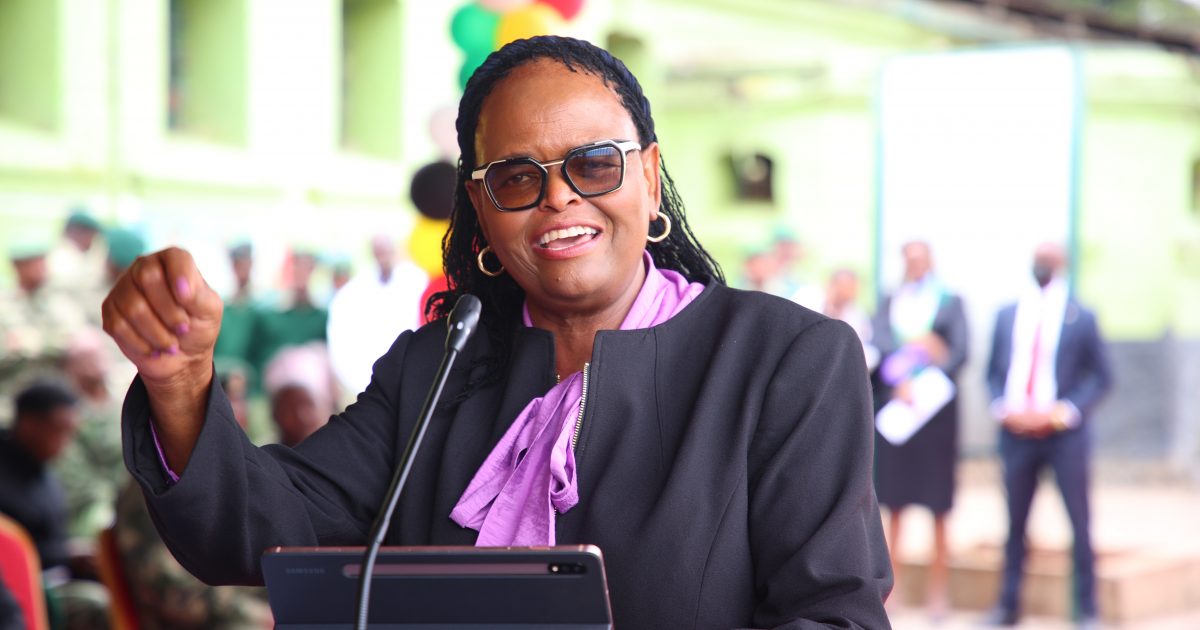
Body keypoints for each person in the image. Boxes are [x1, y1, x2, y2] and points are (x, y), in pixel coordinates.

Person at [101, 36, 891, 629]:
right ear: (481, 212)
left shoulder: (786, 362)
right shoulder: (435, 369)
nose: (559, 199)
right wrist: (182, 382)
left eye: (594, 164)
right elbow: (261, 531)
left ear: (650, 180)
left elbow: (832, 614)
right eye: (516, 178)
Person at [983, 243, 1111, 628]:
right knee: (1015, 523)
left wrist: (1061, 413)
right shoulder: (1008, 313)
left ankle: (1087, 609)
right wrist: (1004, 408)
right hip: (1016, 433)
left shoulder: (1080, 316)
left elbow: (1102, 377)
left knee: (1079, 520)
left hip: (1062, 436)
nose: (1043, 266)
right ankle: (1008, 605)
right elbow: (993, 373)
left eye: (1050, 260)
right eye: (1039, 259)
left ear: (1063, 265)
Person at [870, 240, 967, 619]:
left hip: (934, 410)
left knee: (937, 503)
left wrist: (929, 370)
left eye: (921, 258)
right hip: (900, 406)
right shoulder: (891, 300)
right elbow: (879, 344)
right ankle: (889, 591)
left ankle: (938, 591)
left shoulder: (949, 302)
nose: (915, 265)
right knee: (894, 500)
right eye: (909, 259)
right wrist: (901, 378)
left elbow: (959, 352)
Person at [326, 235, 429, 394]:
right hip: (368, 378)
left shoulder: (417, 282)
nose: (383, 258)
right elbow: (343, 339)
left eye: (385, 251)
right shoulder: (354, 292)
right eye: (379, 252)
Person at [0, 239, 88, 426]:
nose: (40, 267)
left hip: (55, 397)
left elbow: (74, 341)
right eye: (33, 262)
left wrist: (34, 344)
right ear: (17, 266)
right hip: (10, 397)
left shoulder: (60, 303)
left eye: (42, 260)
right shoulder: (4, 304)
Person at [816, 268, 879, 371]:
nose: (845, 292)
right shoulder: (813, 302)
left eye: (851, 288)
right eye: (843, 286)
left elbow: (861, 342)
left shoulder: (857, 313)